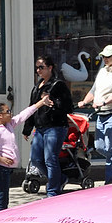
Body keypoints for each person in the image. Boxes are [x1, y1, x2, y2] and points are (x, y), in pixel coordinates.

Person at [0, 95, 52, 212]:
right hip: (1, 170)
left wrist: (41, 103)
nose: (11, 113)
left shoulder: (9, 125)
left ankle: (0, 220)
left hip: (6, 169)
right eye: (8, 111)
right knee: (2, 202)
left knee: (4, 200)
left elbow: (23, 115)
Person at [77, 45, 112, 184]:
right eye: (103, 56)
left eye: (108, 56)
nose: (105, 59)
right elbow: (93, 91)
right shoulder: (101, 71)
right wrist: (84, 101)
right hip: (102, 114)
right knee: (100, 146)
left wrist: (103, 102)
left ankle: (111, 182)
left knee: (111, 148)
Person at [23, 55, 73, 197]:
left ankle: (53, 191)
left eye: (41, 67)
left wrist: (54, 102)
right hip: (40, 128)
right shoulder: (37, 87)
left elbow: (68, 106)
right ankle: (59, 179)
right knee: (36, 159)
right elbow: (32, 108)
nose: (38, 70)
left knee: (50, 159)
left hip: (55, 127)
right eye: (37, 68)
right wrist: (27, 128)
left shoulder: (58, 85)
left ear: (50, 68)